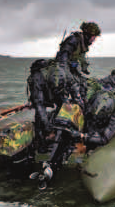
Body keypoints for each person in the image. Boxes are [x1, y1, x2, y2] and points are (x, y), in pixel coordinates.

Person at [27, 21, 101, 152]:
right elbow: (62, 61)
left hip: (58, 77)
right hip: (43, 80)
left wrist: (81, 75)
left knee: (64, 104)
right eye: (94, 37)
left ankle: (60, 136)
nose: (94, 40)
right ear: (89, 35)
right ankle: (43, 139)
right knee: (40, 108)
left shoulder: (82, 46)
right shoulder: (73, 41)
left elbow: (79, 66)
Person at [79, 70, 115, 149]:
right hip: (99, 120)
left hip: (111, 125)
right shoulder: (97, 97)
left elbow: (104, 138)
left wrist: (82, 136)